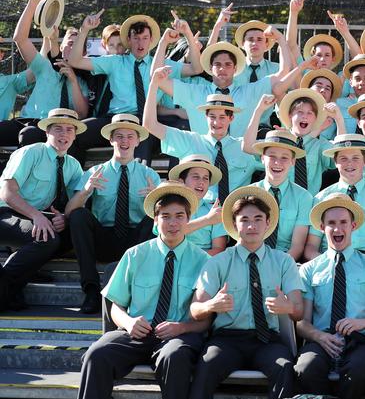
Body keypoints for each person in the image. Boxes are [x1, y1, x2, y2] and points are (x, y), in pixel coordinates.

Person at [74, 182, 211, 399]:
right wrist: (128, 322)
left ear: (188, 219)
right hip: (137, 331)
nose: (172, 223)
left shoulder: (204, 261)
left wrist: (181, 328)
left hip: (178, 336)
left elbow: (206, 319)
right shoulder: (135, 255)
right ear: (155, 221)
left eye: (179, 216)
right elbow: (115, 305)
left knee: (175, 356)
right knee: (97, 354)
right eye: (165, 216)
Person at [184, 186, 304, 399]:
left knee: (285, 368)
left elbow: (299, 310)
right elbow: (195, 311)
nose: (251, 226)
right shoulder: (217, 263)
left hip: (267, 340)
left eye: (258, 219)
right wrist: (211, 305)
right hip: (227, 339)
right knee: (206, 366)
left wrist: (287, 306)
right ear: (234, 224)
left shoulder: (283, 261)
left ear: (267, 223)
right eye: (244, 220)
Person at [295, 193, 365, 399]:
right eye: (331, 223)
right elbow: (302, 322)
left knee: (358, 370)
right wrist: (319, 337)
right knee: (306, 367)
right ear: (321, 227)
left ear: (353, 225)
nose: (338, 229)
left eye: (343, 222)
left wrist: (363, 323)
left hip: (361, 341)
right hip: (322, 340)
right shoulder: (309, 270)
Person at [69, 11, 200, 163]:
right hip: (116, 120)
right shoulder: (115, 61)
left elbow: (196, 69)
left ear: (151, 40)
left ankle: (175, 184)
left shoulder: (161, 64)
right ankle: (73, 182)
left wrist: (187, 33)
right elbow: (75, 61)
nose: (140, 43)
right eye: (136, 38)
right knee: (72, 133)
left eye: (145, 38)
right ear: (129, 40)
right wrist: (84, 29)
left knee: (180, 128)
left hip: (148, 120)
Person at [66, 114, 160, 313]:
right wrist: (86, 191)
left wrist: (154, 200)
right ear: (111, 139)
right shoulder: (95, 172)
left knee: (156, 216)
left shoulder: (149, 175)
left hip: (136, 242)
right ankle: (91, 290)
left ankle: (139, 293)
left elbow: (164, 217)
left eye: (129, 136)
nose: (124, 141)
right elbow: (69, 211)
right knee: (78, 216)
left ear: (138, 140)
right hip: (104, 238)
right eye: (119, 136)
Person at [0, 109, 84, 311]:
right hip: (6, 214)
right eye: (58, 129)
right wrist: (37, 216)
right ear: (47, 132)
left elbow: (74, 203)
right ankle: (5, 286)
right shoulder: (30, 152)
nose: (64, 134)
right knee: (47, 238)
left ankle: (11, 284)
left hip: (34, 217)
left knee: (73, 234)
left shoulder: (73, 165)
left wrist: (63, 217)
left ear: (74, 135)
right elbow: (7, 194)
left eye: (69, 130)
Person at [144, 66, 261, 204]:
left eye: (222, 117)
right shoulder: (190, 141)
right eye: (212, 116)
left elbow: (277, 164)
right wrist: (154, 84)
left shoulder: (245, 147)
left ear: (231, 118)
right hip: (197, 212)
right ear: (206, 117)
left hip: (234, 215)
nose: (217, 122)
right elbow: (150, 125)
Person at [154, 27, 300, 138]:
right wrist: (163, 42)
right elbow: (159, 80)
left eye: (228, 64)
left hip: (240, 166)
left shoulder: (248, 91)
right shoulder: (196, 92)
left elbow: (283, 72)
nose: (222, 68)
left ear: (236, 68)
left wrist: (280, 38)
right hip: (204, 164)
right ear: (210, 68)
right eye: (217, 64)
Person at [1, 0, 88, 147]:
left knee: (28, 136)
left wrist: (73, 81)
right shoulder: (44, 66)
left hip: (51, 130)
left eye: (77, 45)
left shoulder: (82, 80)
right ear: (61, 47)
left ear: (83, 53)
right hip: (25, 122)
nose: (72, 48)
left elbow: (82, 114)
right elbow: (20, 39)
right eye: (69, 43)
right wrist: (32, 3)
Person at [305, 134, 365, 264]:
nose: (350, 163)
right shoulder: (321, 198)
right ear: (335, 162)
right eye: (343, 158)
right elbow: (311, 246)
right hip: (332, 260)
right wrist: (324, 263)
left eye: (356, 158)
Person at [246, 128, 314, 261]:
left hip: (286, 260)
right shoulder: (248, 193)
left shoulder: (304, 197)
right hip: (252, 258)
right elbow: (243, 239)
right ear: (262, 158)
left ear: (293, 162)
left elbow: (297, 246)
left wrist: (278, 268)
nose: (277, 162)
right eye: (272, 156)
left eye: (284, 157)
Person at [271, 88, 344, 195]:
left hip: (309, 204)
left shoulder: (320, 144)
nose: (305, 116)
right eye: (300, 112)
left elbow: (341, 156)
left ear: (315, 119)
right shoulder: (279, 140)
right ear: (290, 116)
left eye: (310, 113)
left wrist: (339, 119)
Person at [166, 154, 224, 255]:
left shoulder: (214, 210)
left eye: (205, 178)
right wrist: (207, 220)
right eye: (196, 177)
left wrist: (194, 263)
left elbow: (219, 249)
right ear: (181, 181)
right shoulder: (167, 206)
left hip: (204, 265)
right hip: (171, 263)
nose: (201, 182)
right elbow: (167, 234)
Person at [233, 19, 280, 86]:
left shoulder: (276, 69)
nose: (254, 43)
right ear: (243, 44)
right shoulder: (234, 68)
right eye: (250, 39)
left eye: (259, 39)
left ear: (266, 44)